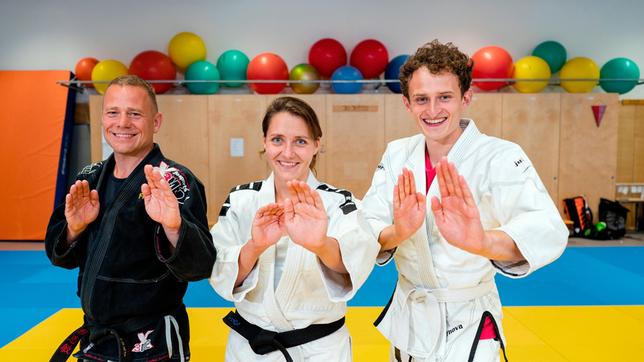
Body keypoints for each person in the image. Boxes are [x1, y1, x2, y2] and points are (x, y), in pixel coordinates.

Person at [361, 40, 569, 361]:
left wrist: (483, 242)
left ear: (466, 98)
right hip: (410, 314)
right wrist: (397, 233)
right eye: (421, 99)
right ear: (407, 104)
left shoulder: (500, 156)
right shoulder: (397, 154)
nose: (432, 110)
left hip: (469, 317)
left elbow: (546, 229)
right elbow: (367, 227)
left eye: (444, 97)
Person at [45, 75, 216, 361]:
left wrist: (173, 227)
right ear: (102, 118)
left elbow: (201, 267)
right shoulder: (89, 178)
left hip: (151, 342)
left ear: (156, 122)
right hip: (97, 337)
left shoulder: (174, 182)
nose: (122, 123)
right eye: (113, 112)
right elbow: (58, 256)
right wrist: (74, 230)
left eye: (135, 114)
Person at [209, 96, 380, 361]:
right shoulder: (242, 200)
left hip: (320, 350)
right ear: (264, 142)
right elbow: (219, 269)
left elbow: (357, 261)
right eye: (277, 139)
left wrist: (320, 244)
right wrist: (255, 246)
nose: (287, 152)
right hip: (251, 350)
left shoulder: (339, 203)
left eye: (300, 141)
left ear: (316, 145)